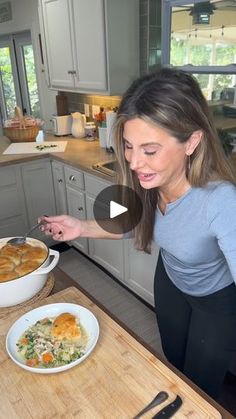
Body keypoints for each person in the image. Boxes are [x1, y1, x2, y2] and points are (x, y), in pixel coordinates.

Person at [40, 67, 236, 400]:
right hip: (171, 280)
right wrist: (79, 226)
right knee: (173, 362)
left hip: (214, 301)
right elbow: (129, 221)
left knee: (199, 387)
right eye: (129, 146)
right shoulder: (149, 179)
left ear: (192, 141)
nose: (133, 161)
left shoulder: (220, 201)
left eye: (149, 150)